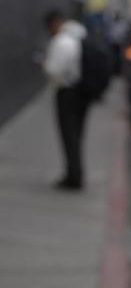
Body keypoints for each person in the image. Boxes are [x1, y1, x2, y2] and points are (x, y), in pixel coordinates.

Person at [43, 10, 90, 190]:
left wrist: (46, 65)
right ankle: (75, 173)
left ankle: (74, 176)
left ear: (54, 23)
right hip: (83, 92)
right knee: (77, 135)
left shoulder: (62, 42)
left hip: (68, 93)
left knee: (69, 135)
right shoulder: (78, 36)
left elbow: (54, 70)